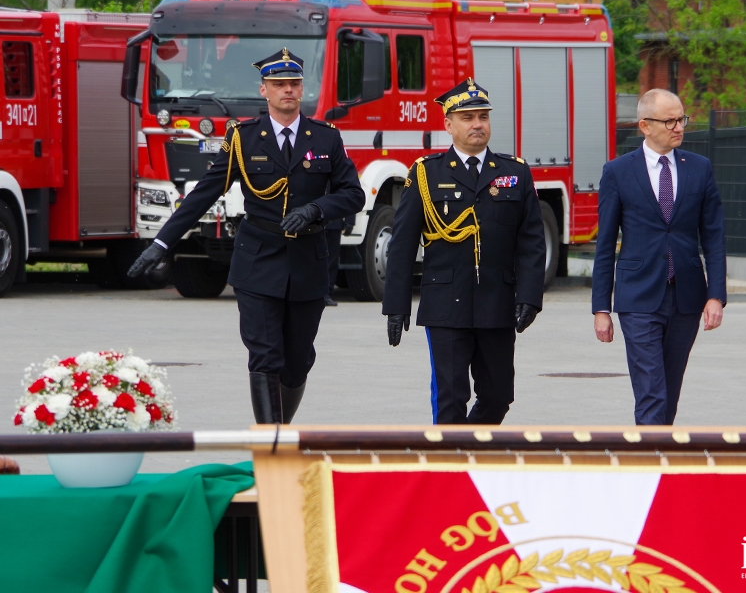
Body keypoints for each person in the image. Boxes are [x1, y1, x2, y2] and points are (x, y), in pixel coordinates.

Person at [128, 48, 364, 424]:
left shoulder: (325, 138)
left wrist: (315, 209)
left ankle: (279, 430)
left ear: (302, 89)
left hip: (308, 262)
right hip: (258, 261)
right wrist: (160, 243)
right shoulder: (243, 138)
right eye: (278, 84)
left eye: (293, 83)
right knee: (265, 355)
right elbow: (204, 193)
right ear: (264, 91)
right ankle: (271, 446)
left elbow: (354, 194)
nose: (287, 90)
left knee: (298, 361)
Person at [382, 78, 545, 424]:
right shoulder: (426, 173)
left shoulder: (514, 173)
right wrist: (396, 306)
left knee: (499, 396)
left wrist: (529, 297)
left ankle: (468, 450)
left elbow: (531, 241)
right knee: (451, 398)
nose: (477, 124)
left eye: (483, 117)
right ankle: (453, 469)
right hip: (445, 305)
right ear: (448, 124)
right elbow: (402, 244)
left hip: (496, 303)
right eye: (467, 117)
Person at [592, 88, 726, 426]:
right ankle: (648, 467)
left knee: (670, 391)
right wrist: (601, 308)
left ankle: (659, 462)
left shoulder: (700, 168)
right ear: (644, 126)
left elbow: (713, 236)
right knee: (651, 392)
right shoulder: (618, 172)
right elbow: (605, 244)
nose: (679, 126)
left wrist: (716, 296)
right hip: (637, 297)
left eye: (682, 119)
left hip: (686, 298)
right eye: (670, 121)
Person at [324, 214, 355, 306]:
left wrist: (350, 221)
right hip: (311, 223)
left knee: (331, 261)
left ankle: (326, 293)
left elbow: (349, 200)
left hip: (333, 222)